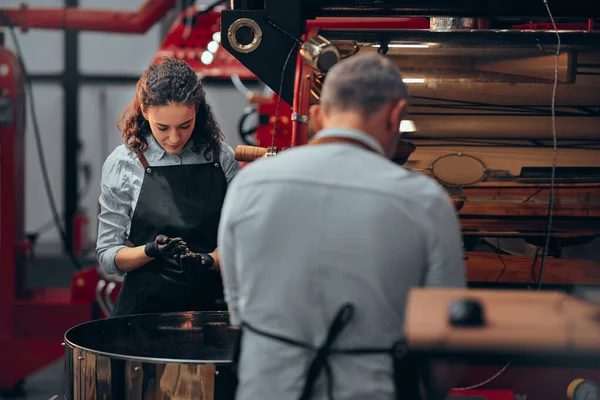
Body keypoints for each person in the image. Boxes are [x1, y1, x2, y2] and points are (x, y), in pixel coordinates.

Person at [218, 53, 467, 400]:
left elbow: (239, 316)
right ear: (395, 115)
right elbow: (445, 344)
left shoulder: (249, 185)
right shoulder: (425, 201)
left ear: (318, 116)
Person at [96, 57, 239, 317]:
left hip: (209, 314)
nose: (174, 138)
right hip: (143, 314)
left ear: (198, 110)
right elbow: (108, 256)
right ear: (145, 111)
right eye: (162, 128)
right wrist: (150, 251)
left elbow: (238, 245)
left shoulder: (221, 158)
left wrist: (206, 260)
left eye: (185, 125)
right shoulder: (124, 163)